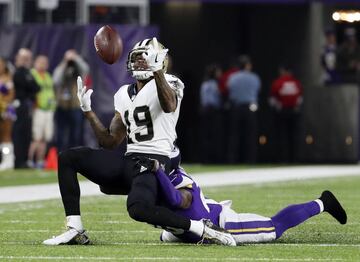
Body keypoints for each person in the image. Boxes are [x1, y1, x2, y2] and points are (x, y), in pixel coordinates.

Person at [43, 37, 235, 246]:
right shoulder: (124, 93)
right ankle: (75, 229)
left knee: (138, 209)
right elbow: (109, 142)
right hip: (130, 159)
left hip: (156, 161)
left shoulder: (170, 82)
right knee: (69, 158)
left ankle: (201, 228)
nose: (140, 62)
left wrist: (157, 71)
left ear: (160, 61)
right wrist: (88, 113)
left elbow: (169, 105)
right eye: (137, 58)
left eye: (145, 58)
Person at [137, 157, 347, 245]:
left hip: (220, 224)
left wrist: (156, 171)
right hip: (190, 228)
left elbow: (175, 200)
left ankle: (322, 202)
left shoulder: (180, 186)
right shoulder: (155, 180)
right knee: (166, 235)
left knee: (273, 228)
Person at [53, 50, 90, 152]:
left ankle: (74, 156)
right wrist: (65, 62)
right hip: (62, 106)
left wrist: (75, 58)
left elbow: (86, 69)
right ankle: (61, 155)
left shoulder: (79, 69)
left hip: (75, 106)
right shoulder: (62, 68)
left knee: (75, 134)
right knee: (61, 134)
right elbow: (56, 80)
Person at [227, 55, 261, 164]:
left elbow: (230, 92)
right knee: (250, 135)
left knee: (234, 135)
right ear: (247, 65)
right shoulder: (254, 78)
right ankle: (251, 159)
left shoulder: (232, 77)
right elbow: (257, 91)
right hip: (251, 107)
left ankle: (233, 159)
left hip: (236, 107)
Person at [269, 64, 303, 163]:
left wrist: (276, 108)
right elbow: (300, 99)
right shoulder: (296, 83)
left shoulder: (278, 82)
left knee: (281, 136)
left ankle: (282, 158)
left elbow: (272, 99)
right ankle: (294, 158)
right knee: (293, 136)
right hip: (294, 111)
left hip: (282, 111)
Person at [12, 48, 40, 168]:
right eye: (23, 58)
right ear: (18, 59)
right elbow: (26, 85)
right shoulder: (18, 72)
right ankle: (18, 161)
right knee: (19, 133)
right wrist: (30, 89)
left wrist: (30, 88)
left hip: (28, 105)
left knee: (27, 133)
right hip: (20, 105)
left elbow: (37, 87)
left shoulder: (28, 72)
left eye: (27, 58)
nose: (25, 61)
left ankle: (24, 160)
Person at [27, 55, 56, 169]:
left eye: (45, 62)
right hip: (38, 109)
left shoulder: (48, 75)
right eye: (41, 62)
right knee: (36, 137)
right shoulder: (32, 74)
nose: (43, 65)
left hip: (49, 109)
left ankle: (40, 161)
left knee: (45, 138)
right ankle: (29, 160)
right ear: (36, 63)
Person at [199, 63, 222, 163]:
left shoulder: (205, 84)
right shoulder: (214, 84)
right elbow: (216, 99)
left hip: (205, 110)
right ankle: (213, 158)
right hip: (213, 111)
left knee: (206, 135)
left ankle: (206, 158)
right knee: (214, 135)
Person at [0, 57, 15, 170]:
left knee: (6, 136)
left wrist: (3, 103)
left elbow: (11, 95)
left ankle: (8, 160)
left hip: (5, 110)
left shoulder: (7, 79)